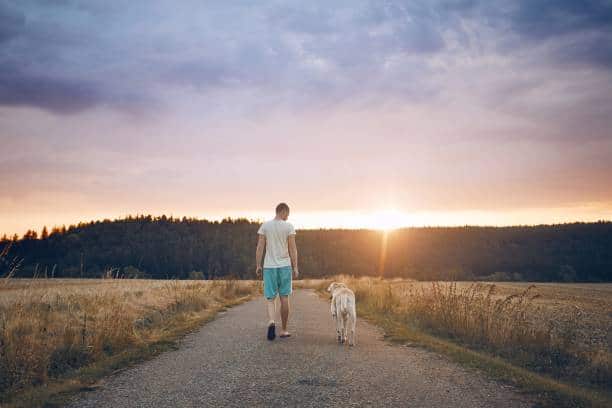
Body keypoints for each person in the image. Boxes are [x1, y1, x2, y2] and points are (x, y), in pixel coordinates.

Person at [256, 202, 299, 340]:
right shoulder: (289, 226)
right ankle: (284, 330)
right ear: (284, 211)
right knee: (284, 297)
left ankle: (271, 322)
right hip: (284, 266)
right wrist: (295, 266)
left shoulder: (265, 226)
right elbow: (293, 248)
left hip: (269, 266)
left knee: (270, 298)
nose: (288, 216)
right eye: (288, 214)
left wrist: (258, 265)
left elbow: (260, 247)